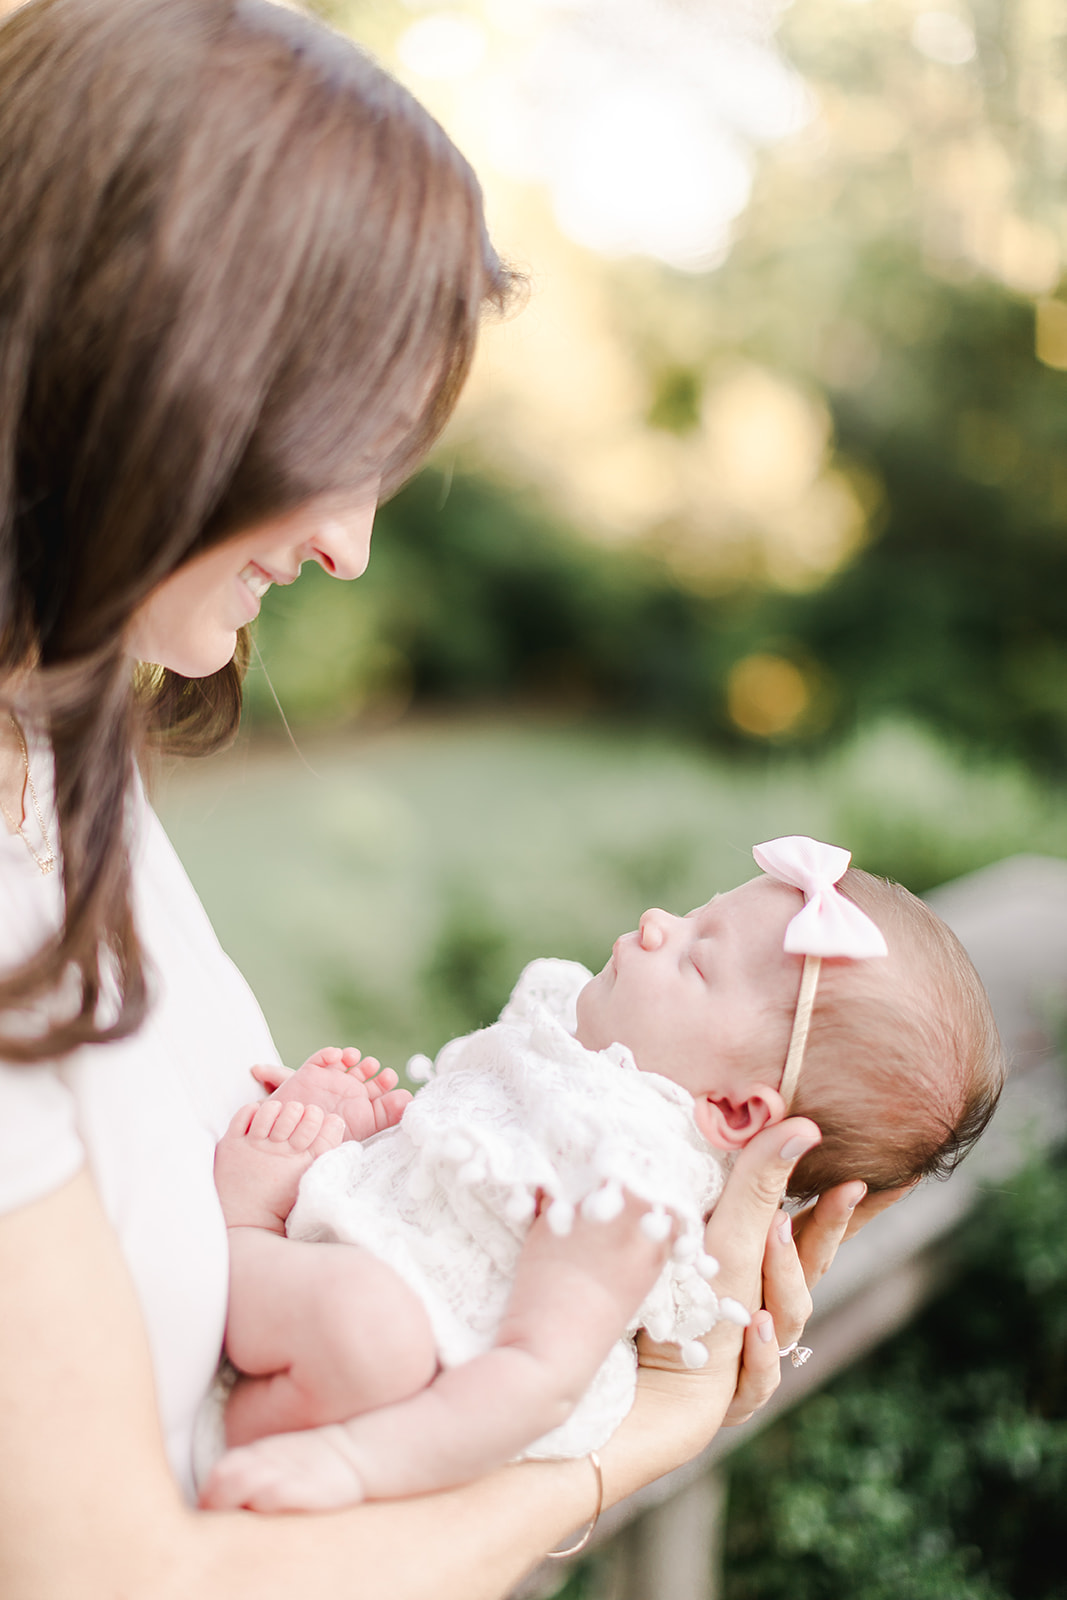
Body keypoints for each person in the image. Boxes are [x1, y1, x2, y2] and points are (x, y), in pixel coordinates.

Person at [0, 2, 907, 1594]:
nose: (349, 544)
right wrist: (637, 1430)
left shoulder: (58, 767)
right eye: (339, 452)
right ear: (153, 376)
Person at [200, 837, 1002, 1515]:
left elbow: (541, 1375)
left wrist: (351, 1464)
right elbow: (465, 1183)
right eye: (694, 915)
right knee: (357, 1298)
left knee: (368, 1327)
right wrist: (383, 1131)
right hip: (353, 1273)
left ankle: (257, 1269)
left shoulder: (636, 1200)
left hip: (412, 1387)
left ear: (732, 1111)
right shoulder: (573, 1062)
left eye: (697, 960)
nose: (658, 925)